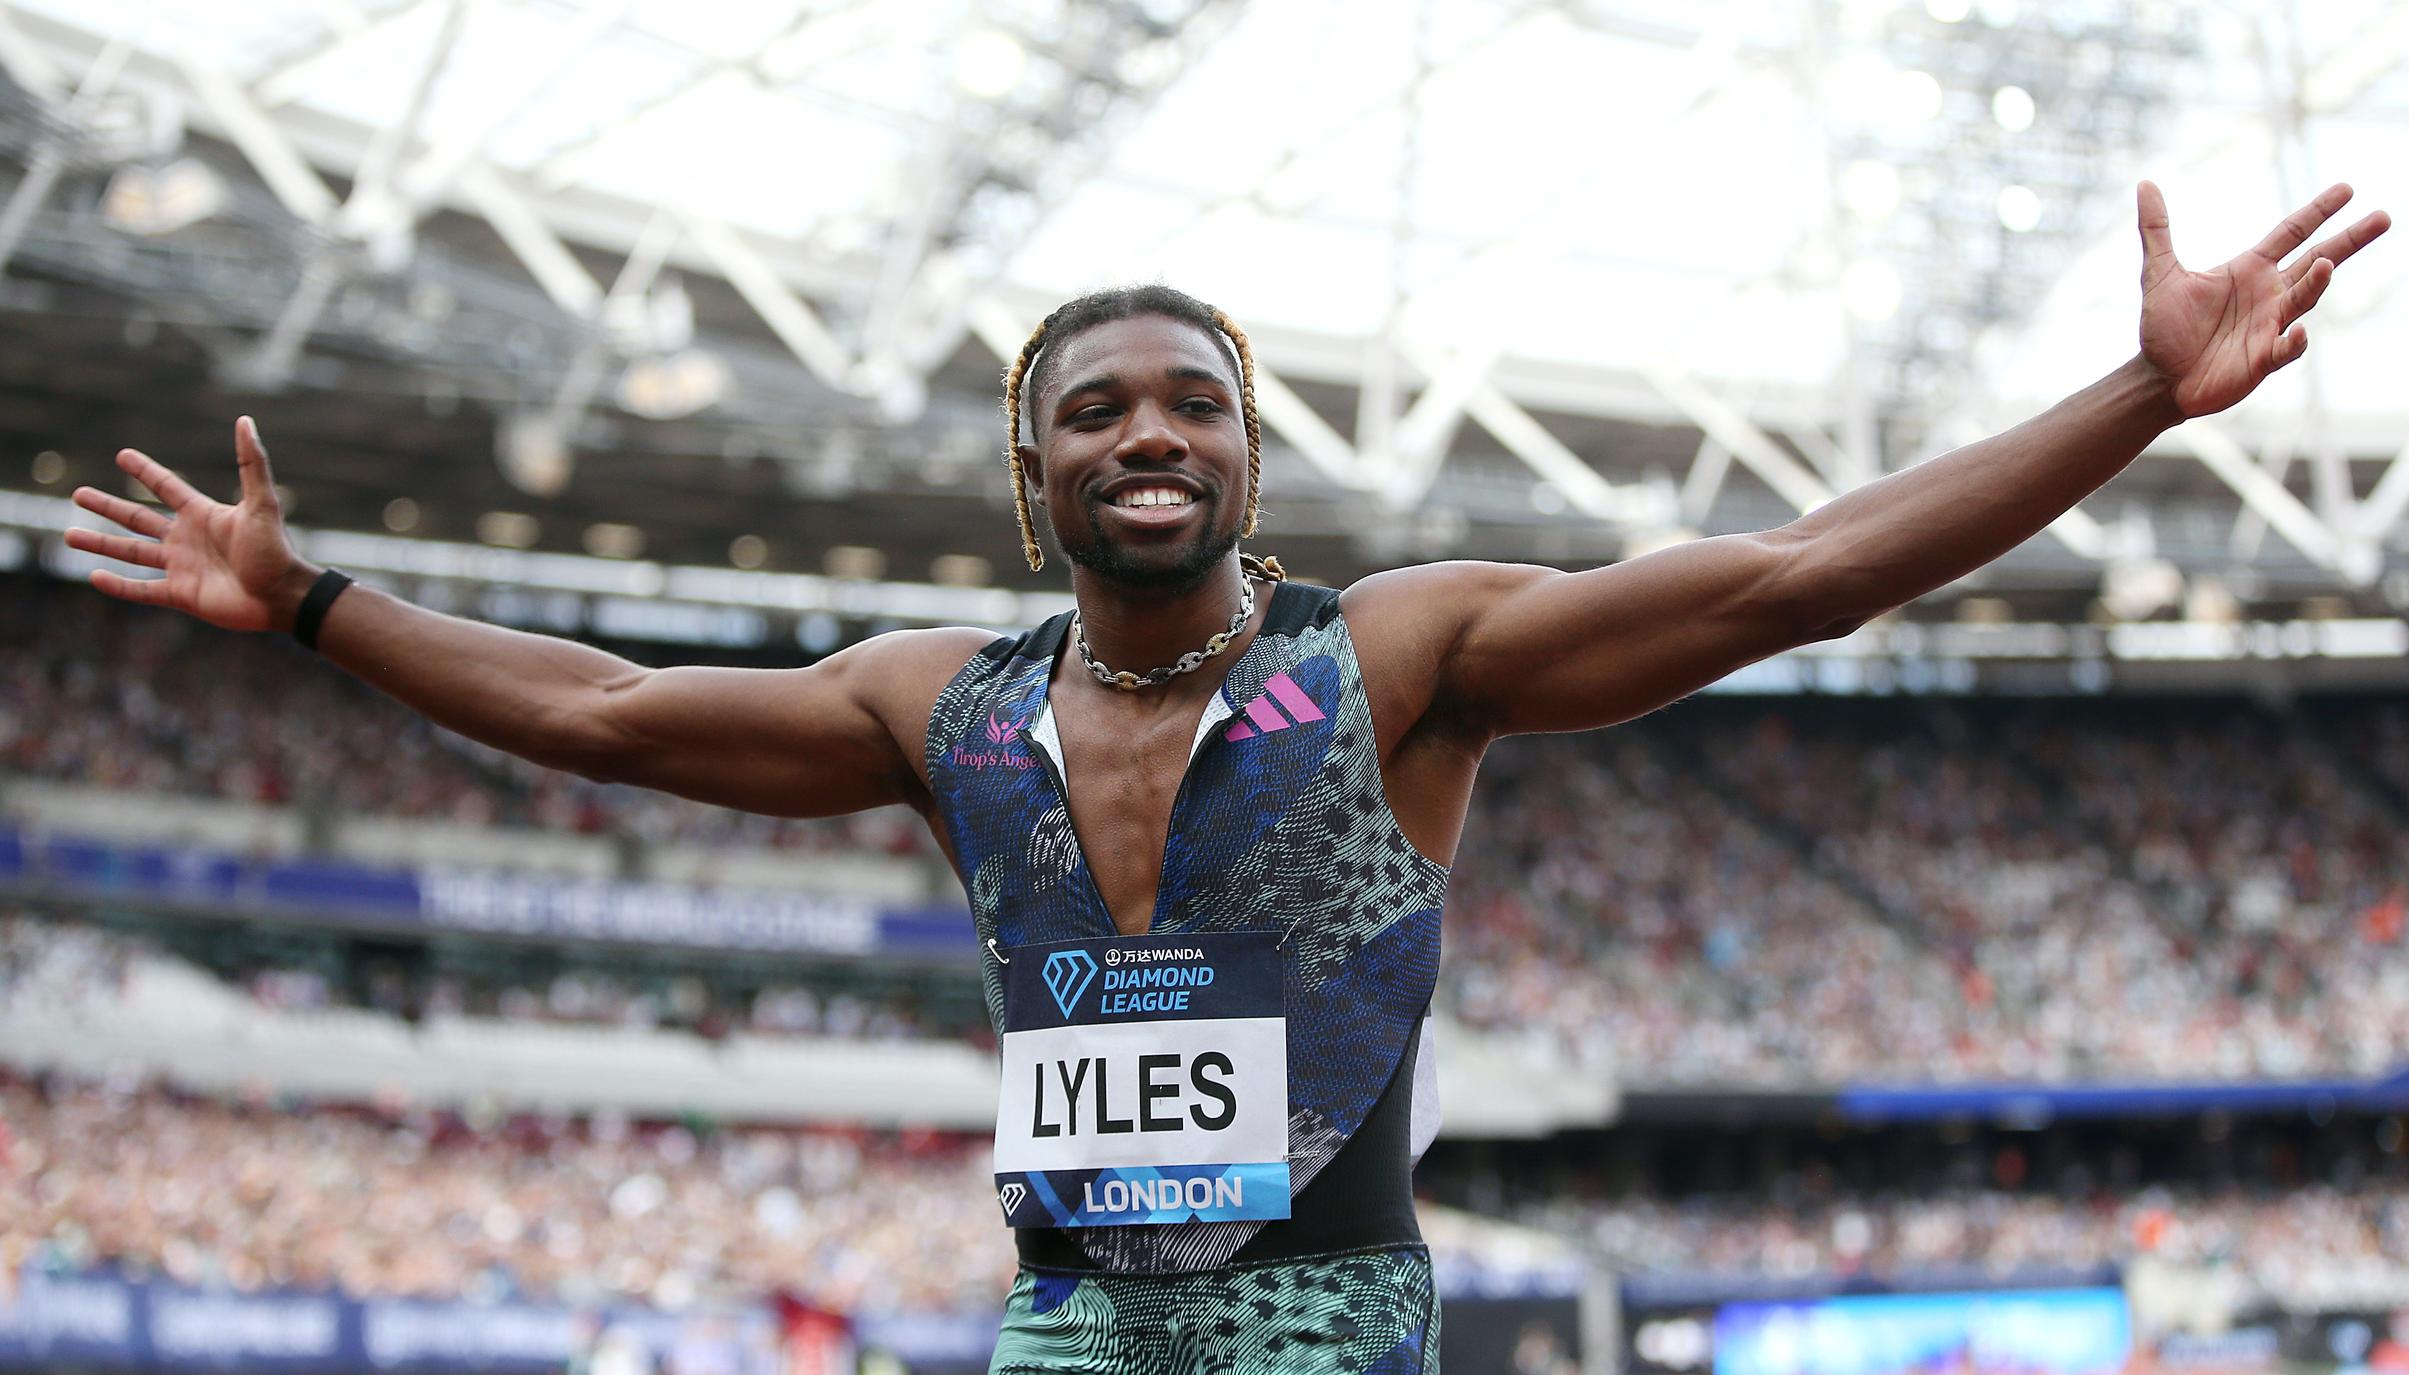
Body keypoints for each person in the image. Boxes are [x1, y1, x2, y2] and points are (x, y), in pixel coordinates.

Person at [66, 182, 2387, 1373]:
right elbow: (594, 711)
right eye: (1095, 409)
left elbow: (1784, 572)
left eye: (1191, 399)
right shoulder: (936, 704)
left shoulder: (1396, 663)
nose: (1148, 432)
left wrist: (2131, 398)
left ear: (1246, 447)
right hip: (1066, 1330)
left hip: (1325, 1328)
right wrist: (306, 607)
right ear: (1031, 471)